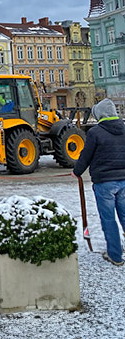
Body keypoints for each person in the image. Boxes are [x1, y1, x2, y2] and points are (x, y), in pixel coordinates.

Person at [73, 98, 125, 266]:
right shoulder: (124, 128)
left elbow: (86, 156)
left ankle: (115, 256)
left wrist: (77, 172)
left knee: (108, 219)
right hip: (124, 180)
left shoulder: (95, 132)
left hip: (104, 183)